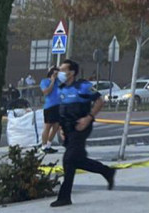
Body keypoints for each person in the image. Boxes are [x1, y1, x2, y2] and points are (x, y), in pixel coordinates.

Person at [51, 59, 115, 208]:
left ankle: (64, 196)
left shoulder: (83, 87)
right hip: (67, 129)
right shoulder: (60, 88)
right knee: (75, 161)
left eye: (63, 70)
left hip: (81, 126)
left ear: (71, 72)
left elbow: (99, 101)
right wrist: (61, 129)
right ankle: (106, 171)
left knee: (68, 159)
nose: (60, 73)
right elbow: (60, 110)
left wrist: (89, 117)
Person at [39, 67, 62, 153]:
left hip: (58, 106)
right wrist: (52, 81)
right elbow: (46, 92)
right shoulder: (44, 81)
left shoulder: (58, 82)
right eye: (55, 74)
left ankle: (49, 144)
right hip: (49, 106)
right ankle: (43, 146)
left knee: (56, 126)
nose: (56, 76)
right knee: (47, 127)